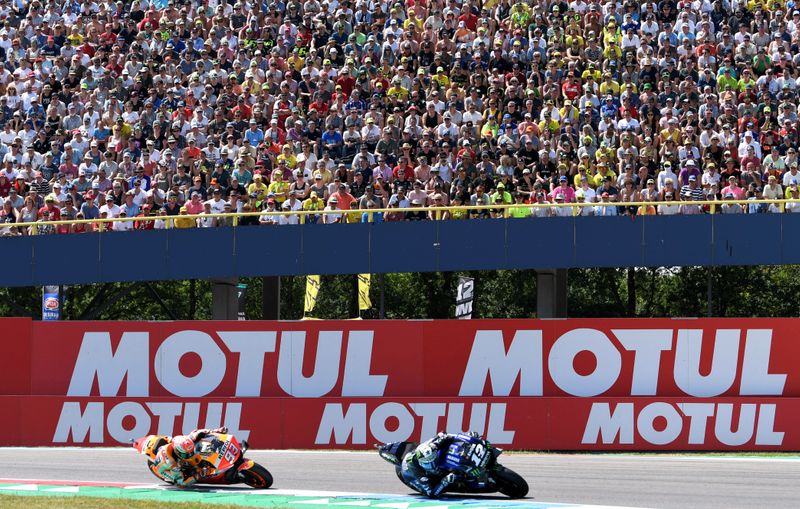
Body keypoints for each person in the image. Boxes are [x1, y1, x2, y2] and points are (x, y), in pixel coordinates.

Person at [401, 431, 483, 497]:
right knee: (438, 484)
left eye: (433, 459)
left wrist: (468, 438)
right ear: (421, 462)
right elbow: (431, 493)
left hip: (425, 452)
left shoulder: (433, 446)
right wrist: (445, 481)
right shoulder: (417, 472)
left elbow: (446, 435)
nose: (432, 464)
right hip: (411, 476)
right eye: (427, 463)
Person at [151, 427, 228, 487]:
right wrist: (198, 475)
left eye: (191, 452)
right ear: (177, 452)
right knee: (182, 480)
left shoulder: (187, 440)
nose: (190, 455)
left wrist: (217, 431)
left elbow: (200, 432)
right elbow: (182, 483)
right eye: (187, 455)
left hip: (172, 446)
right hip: (164, 468)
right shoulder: (172, 464)